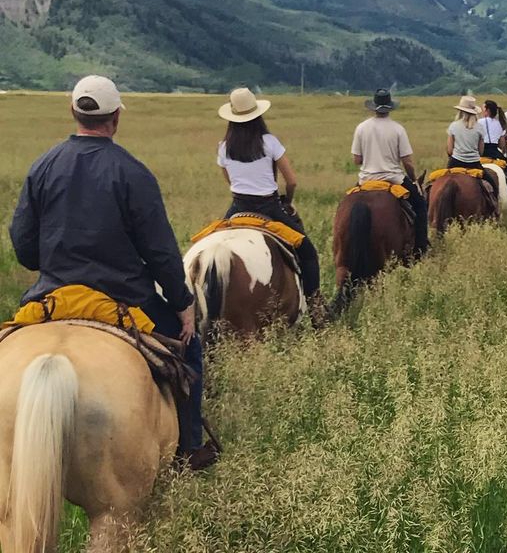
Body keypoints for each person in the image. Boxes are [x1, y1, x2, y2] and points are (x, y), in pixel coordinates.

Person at [8, 75, 218, 471]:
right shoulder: (133, 173)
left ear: (74, 112)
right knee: (188, 350)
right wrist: (182, 303)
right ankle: (189, 449)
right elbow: (160, 250)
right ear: (116, 117)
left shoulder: (44, 165)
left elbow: (23, 244)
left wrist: (53, 260)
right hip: (126, 299)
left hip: (52, 296)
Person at [217, 87, 320, 301]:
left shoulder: (224, 147)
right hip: (269, 207)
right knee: (308, 253)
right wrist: (288, 202)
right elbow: (291, 181)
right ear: (257, 115)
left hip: (237, 207)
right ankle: (315, 307)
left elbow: (230, 180)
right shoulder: (270, 142)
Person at [351, 89, 428, 257]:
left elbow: (357, 160)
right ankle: (421, 249)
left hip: (366, 181)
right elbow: (407, 161)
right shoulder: (398, 129)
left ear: (374, 107)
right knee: (421, 205)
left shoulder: (361, 128)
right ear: (390, 108)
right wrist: (413, 179)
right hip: (394, 179)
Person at [479, 99, 507, 199]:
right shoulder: (499, 124)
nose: (482, 110)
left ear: (487, 110)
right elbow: (501, 145)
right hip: (494, 152)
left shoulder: (479, 122)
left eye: (483, 108)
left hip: (481, 152)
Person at [446, 96, 484, 169]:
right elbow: (481, 152)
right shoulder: (480, 127)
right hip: (474, 163)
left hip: (456, 162)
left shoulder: (453, 126)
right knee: (490, 180)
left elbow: (450, 150)